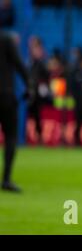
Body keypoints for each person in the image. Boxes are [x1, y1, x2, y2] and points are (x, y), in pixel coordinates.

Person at [0, 30, 31, 192]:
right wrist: (29, 86)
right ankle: (6, 179)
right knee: (11, 136)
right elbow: (19, 64)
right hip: (5, 95)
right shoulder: (6, 39)